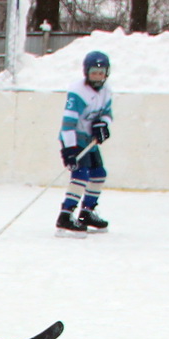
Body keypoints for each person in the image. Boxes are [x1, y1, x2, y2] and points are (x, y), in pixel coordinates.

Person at [55, 50, 115, 236]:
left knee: (98, 174)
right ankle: (65, 215)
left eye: (101, 73)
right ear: (86, 73)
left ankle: (86, 213)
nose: (97, 77)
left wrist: (102, 124)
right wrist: (70, 150)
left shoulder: (106, 91)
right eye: (93, 73)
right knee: (81, 174)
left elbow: (108, 113)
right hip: (74, 140)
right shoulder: (77, 92)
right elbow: (68, 124)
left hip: (90, 141)